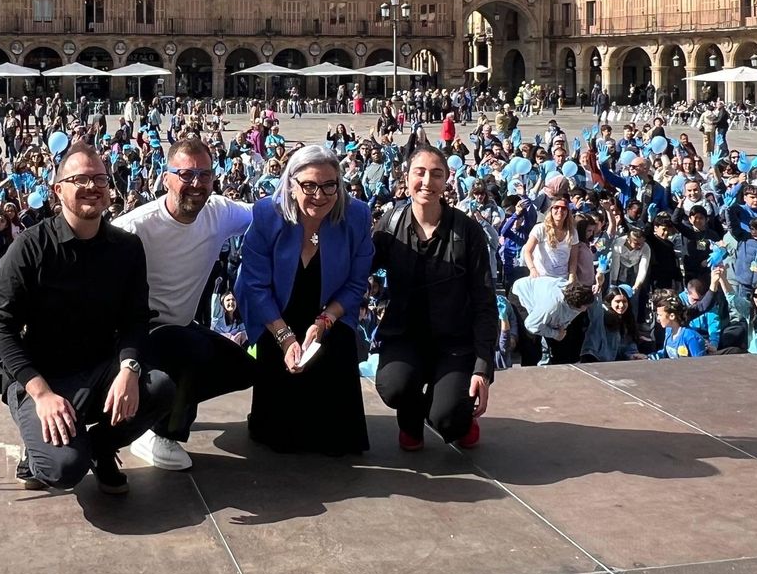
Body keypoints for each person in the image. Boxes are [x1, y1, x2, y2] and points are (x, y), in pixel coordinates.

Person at [0, 144, 175, 494]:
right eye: (81, 179)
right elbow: (1, 327)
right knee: (62, 469)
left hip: (101, 369)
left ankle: (102, 446)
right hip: (45, 377)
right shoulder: (30, 247)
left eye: (100, 179)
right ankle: (43, 447)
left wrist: (129, 370)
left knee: (160, 388)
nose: (92, 186)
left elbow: (136, 318)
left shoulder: (127, 248)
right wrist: (41, 393)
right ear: (58, 190)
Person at [113, 138, 254, 472]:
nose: (196, 183)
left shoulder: (218, 213)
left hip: (181, 324)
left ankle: (157, 411)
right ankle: (158, 431)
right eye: (186, 174)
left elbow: (267, 212)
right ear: (166, 179)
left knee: (243, 369)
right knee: (188, 347)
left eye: (204, 175)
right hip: (137, 333)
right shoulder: (135, 228)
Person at [235, 143, 372, 455]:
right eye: (309, 185)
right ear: (291, 183)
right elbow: (255, 286)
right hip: (276, 313)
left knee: (338, 440)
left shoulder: (357, 217)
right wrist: (285, 338)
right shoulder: (267, 215)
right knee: (281, 438)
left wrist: (323, 323)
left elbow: (355, 284)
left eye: (328, 186)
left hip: (329, 313)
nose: (319, 196)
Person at [371, 145, 496, 451]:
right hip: (405, 336)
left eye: (436, 174)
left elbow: (484, 301)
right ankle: (411, 421)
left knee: (449, 420)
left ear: (447, 180)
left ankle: (451, 412)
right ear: (406, 176)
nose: (427, 181)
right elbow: (357, 269)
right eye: (420, 172)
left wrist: (482, 367)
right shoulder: (389, 225)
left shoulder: (467, 231)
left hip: (454, 342)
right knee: (394, 386)